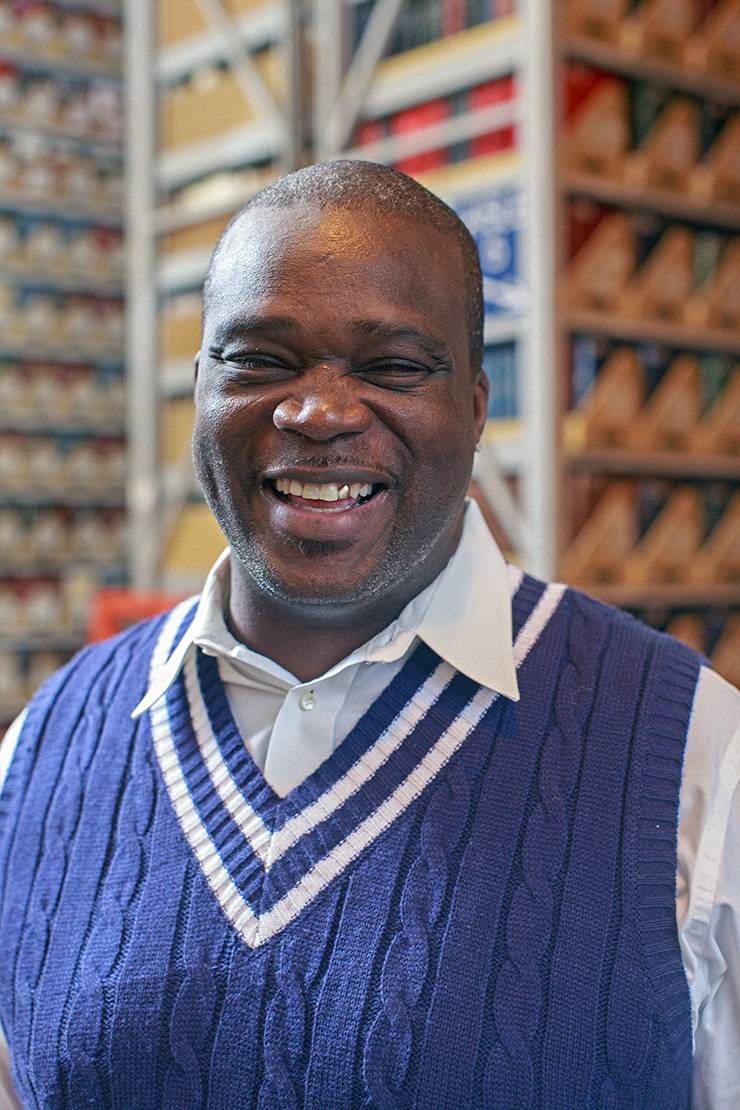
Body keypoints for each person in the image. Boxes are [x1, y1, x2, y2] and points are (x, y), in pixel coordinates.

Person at [0, 160, 738, 1110]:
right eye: (261, 360)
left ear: (474, 409)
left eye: (391, 366)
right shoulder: (40, 752)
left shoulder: (687, 758)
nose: (318, 412)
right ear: (197, 393)